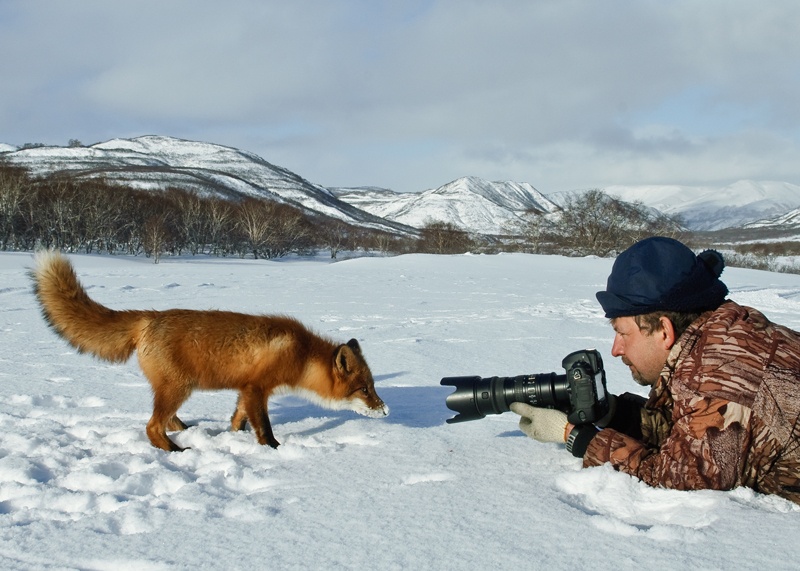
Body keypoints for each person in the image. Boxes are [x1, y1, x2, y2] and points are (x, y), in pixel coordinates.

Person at [511, 236, 800, 504]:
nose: (616, 349)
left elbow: (678, 482)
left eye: (623, 334)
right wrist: (614, 413)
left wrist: (575, 437)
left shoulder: (719, 372)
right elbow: (688, 429)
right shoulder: (722, 336)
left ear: (664, 330)